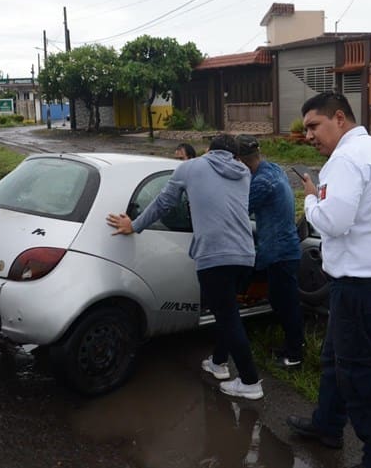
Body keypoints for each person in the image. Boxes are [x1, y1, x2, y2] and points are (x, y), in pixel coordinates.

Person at [286, 92, 371, 468]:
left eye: (313, 126)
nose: (309, 136)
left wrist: (310, 200)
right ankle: (327, 424)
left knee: (365, 377)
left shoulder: (345, 159)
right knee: (337, 361)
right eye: (306, 128)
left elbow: (333, 222)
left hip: (361, 287)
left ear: (339, 118)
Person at [106, 134, 264, 400]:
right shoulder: (243, 173)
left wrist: (134, 225)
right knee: (229, 311)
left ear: (207, 150)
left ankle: (250, 381)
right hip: (246, 254)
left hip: (215, 255)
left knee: (227, 316)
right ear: (234, 155)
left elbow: (163, 203)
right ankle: (218, 363)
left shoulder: (190, 168)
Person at [235, 134, 305, 367]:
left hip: (279, 252)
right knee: (283, 300)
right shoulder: (273, 170)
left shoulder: (261, 182)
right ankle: (292, 346)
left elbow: (238, 212)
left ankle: (295, 354)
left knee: (286, 304)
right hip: (285, 248)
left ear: (242, 161)